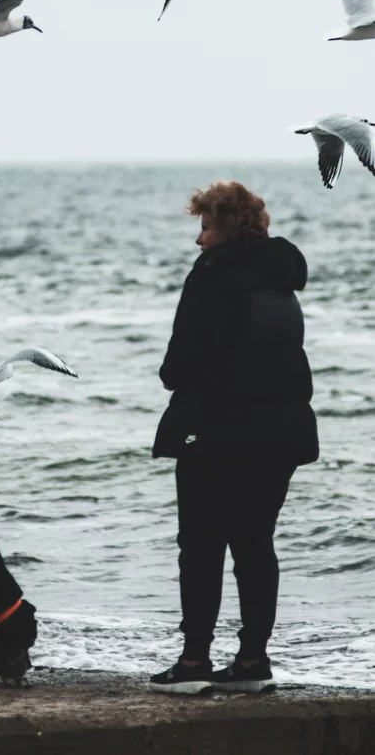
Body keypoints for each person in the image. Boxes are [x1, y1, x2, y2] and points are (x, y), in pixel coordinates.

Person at [149, 180, 318, 694]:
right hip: (281, 433)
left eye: (203, 228)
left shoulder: (215, 275)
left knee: (200, 544)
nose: (198, 241)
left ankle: (194, 663)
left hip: (219, 431)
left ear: (224, 228)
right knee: (254, 543)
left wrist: (172, 375)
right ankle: (251, 664)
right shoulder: (281, 275)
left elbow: (179, 364)